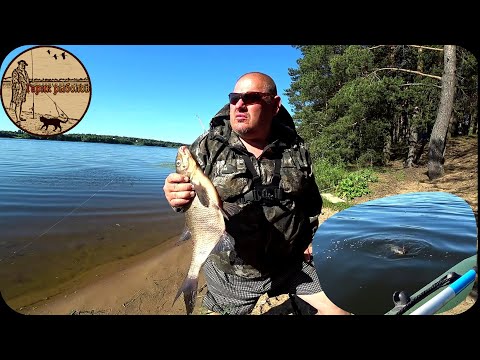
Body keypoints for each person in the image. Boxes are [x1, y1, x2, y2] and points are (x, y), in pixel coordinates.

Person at [164, 72, 350, 315]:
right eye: (234, 98)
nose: (239, 104)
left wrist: (311, 237)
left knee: (339, 311)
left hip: (290, 263)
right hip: (232, 274)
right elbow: (189, 199)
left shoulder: (296, 147)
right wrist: (176, 196)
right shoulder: (207, 146)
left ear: (275, 104)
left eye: (251, 97)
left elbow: (310, 202)